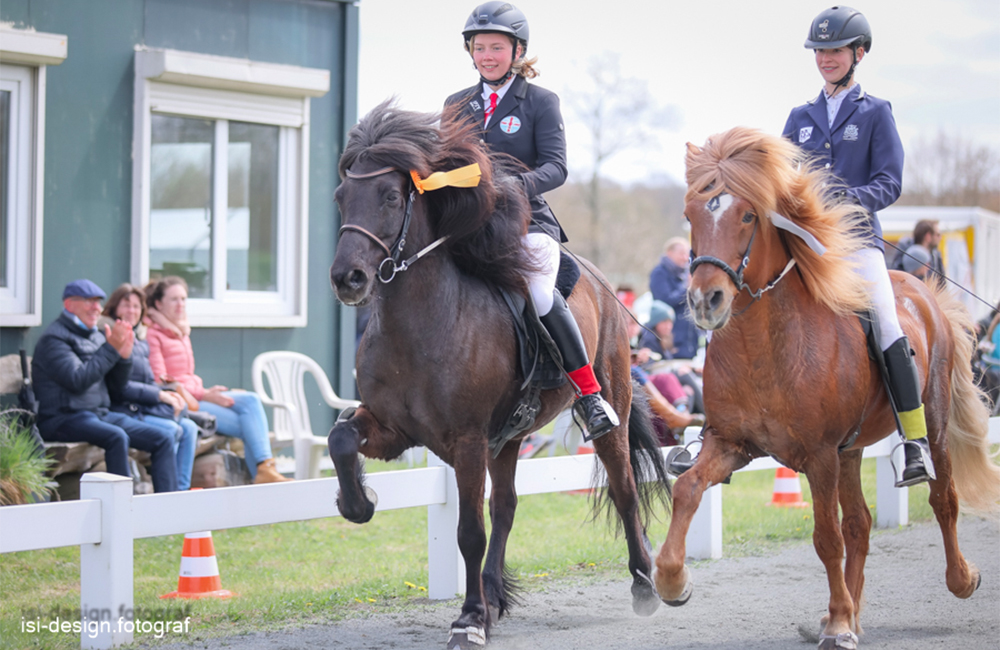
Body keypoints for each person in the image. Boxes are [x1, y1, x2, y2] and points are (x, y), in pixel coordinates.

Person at [444, 1, 615, 440]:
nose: (486, 56)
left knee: (539, 292)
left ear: (517, 52)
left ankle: (589, 395)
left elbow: (557, 167)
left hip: (525, 223)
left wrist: (511, 186)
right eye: (479, 48)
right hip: (468, 226)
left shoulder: (539, 102)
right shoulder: (456, 104)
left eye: (495, 48)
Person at [781, 6, 931, 485]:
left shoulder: (875, 113)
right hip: (806, 245)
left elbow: (890, 182)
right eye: (820, 51)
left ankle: (915, 441)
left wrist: (850, 199)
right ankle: (719, 425)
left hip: (857, 244)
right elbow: (784, 177)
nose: (826, 58)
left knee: (887, 322)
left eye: (835, 50)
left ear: (858, 53)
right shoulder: (799, 117)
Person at [32, 279, 178, 492]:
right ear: (69, 305)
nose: (96, 308)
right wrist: (111, 349)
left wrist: (124, 358)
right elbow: (78, 380)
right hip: (63, 419)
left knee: (163, 438)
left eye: (98, 302)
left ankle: (170, 512)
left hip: (97, 414)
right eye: (88, 301)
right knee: (116, 436)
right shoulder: (54, 339)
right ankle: (121, 511)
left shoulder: (95, 335)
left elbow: (116, 386)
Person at [144, 276, 289, 484]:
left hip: (198, 394)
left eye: (184, 299)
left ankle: (265, 471)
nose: (181, 305)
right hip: (185, 403)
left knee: (250, 400)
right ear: (158, 304)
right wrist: (205, 395)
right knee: (250, 424)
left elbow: (187, 375)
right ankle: (264, 474)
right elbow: (163, 381)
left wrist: (206, 391)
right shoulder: (154, 335)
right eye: (174, 299)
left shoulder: (180, 332)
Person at [100, 284, 199, 491]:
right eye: (126, 306)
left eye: (137, 306)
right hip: (124, 409)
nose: (132, 311)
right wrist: (159, 395)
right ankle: (166, 492)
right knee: (172, 430)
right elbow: (118, 388)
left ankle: (180, 490)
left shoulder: (139, 340)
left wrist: (168, 394)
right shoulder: (110, 336)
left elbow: (147, 381)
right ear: (114, 308)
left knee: (189, 427)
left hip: (141, 406)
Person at [649, 238, 700, 359]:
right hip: (672, 341)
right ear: (669, 253)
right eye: (681, 253)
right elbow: (664, 303)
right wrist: (687, 288)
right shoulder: (659, 273)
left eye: (687, 254)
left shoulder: (686, 274)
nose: (685, 258)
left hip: (690, 343)